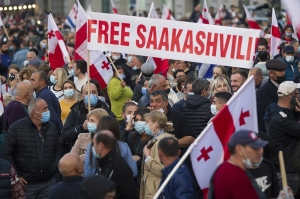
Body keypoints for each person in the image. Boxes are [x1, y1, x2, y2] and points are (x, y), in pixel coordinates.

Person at [2, 98, 62, 199]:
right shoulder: (16, 128)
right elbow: (7, 154)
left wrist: (54, 167)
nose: (48, 111)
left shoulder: (51, 127)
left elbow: (57, 149)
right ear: (34, 113)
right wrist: (16, 176)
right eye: (45, 109)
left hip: (48, 182)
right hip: (26, 185)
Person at [264, 81, 300, 193]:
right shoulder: (281, 119)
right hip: (288, 172)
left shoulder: (277, 112)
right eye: (297, 94)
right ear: (292, 96)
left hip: (286, 168)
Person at [210, 129, 268, 199]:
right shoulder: (235, 177)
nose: (259, 152)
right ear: (239, 150)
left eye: (260, 147)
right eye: (255, 148)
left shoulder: (226, 168)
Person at [140, 111, 176, 199]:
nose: (145, 125)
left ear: (155, 124)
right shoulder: (155, 140)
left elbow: (162, 170)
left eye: (147, 122)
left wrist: (148, 157)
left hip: (156, 190)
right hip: (153, 189)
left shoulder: (161, 142)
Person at [92, 131, 139, 199]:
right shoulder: (103, 162)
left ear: (100, 145)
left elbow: (131, 194)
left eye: (93, 144)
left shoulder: (119, 166)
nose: (92, 147)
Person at [257, 59, 287, 132]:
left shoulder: (284, 86)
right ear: (271, 73)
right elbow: (266, 116)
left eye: (283, 70)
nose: (283, 73)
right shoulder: (265, 92)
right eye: (280, 71)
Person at [121, 108, 151, 177]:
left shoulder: (153, 138)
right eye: (137, 120)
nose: (139, 122)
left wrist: (138, 160)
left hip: (146, 175)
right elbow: (122, 148)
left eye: (142, 120)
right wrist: (127, 128)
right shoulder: (132, 136)